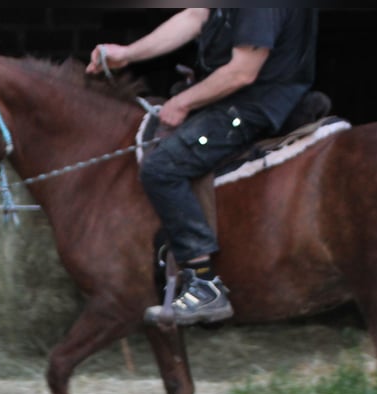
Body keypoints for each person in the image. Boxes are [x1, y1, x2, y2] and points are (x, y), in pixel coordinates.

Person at [86, 8, 318, 326]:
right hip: (233, 97)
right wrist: (127, 54)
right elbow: (196, 14)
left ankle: (204, 284)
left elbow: (242, 72)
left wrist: (183, 102)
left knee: (163, 167)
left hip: (252, 104)